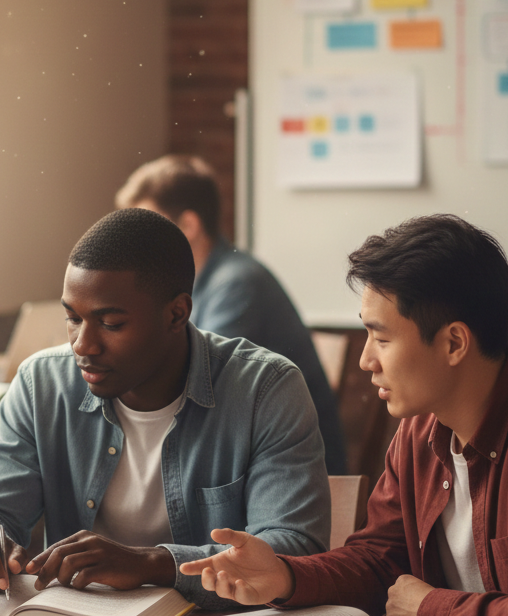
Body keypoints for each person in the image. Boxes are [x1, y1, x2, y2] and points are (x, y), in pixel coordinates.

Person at [180, 214, 508, 616]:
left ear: (453, 344)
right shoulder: (419, 429)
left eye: (380, 338)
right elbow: (377, 562)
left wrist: (427, 608)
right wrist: (284, 576)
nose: (366, 360)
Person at [0, 208, 330, 608]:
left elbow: (292, 551)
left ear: (176, 314)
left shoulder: (266, 390)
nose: (82, 345)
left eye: (110, 323)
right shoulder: (41, 384)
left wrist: (152, 564)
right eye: (73, 319)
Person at [116, 155, 347, 475]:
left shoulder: (238, 285)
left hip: (290, 472)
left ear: (188, 226)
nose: (134, 244)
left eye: (147, 227)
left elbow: (195, 387)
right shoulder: (198, 281)